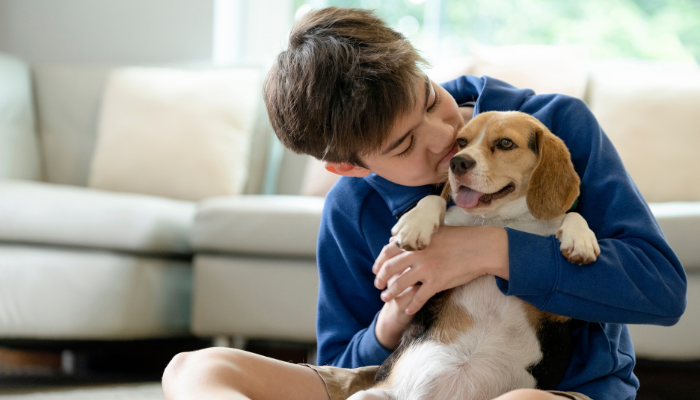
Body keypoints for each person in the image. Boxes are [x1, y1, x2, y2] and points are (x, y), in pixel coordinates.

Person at [162, 7, 687, 400]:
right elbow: (343, 364)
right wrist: (392, 316)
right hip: (396, 383)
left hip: (548, 388)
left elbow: (661, 290)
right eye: (403, 146)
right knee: (192, 369)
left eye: (431, 100)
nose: (444, 140)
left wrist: (489, 250)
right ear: (350, 166)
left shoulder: (554, 124)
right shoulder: (351, 205)